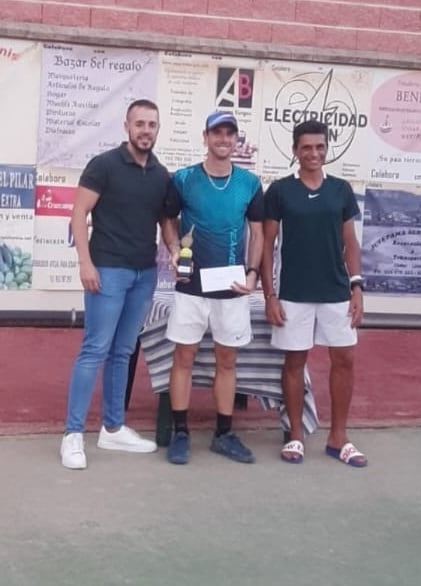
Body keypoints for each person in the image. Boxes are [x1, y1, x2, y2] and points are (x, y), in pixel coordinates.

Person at [60, 99, 176, 470]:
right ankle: (73, 434)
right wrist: (85, 263)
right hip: (107, 271)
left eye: (152, 125)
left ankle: (112, 427)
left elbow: (166, 223)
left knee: (123, 352)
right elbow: (79, 212)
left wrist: (175, 250)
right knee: (95, 349)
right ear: (127, 126)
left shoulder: (161, 175)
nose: (146, 130)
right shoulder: (104, 165)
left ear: (158, 129)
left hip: (144, 274)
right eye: (139, 124)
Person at [260, 120, 367, 467]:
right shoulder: (279, 191)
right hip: (293, 292)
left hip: (336, 291)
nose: (314, 153)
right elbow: (267, 245)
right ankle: (295, 435)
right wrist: (270, 296)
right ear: (295, 151)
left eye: (319, 147)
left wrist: (357, 286)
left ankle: (339, 438)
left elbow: (350, 242)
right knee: (294, 363)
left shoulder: (340, 190)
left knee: (345, 360)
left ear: (326, 149)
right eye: (306, 147)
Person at [162, 111, 264, 465]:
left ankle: (223, 433)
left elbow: (259, 232)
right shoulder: (184, 179)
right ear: (205, 136)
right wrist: (174, 250)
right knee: (184, 358)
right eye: (217, 133)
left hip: (232, 286)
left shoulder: (250, 183)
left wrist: (253, 273)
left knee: (227, 360)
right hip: (191, 284)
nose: (224, 139)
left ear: (237, 140)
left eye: (230, 133)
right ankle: (180, 432)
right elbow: (168, 221)